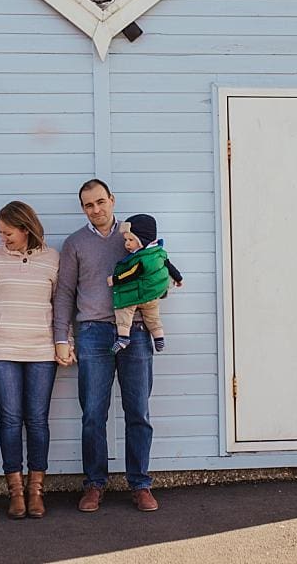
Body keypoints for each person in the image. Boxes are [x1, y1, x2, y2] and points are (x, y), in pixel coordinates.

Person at [52, 179, 160, 513]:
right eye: (89, 205)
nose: (96, 209)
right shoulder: (75, 244)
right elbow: (65, 293)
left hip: (137, 332)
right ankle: (94, 484)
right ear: (83, 208)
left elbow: (157, 270)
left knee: (138, 411)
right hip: (93, 334)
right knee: (93, 414)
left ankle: (140, 484)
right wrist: (61, 338)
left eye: (101, 202)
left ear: (112, 200)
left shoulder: (133, 235)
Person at [0, 201, 60, 519]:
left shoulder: (52, 258)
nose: (3, 238)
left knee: (37, 420)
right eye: (0, 233)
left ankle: (36, 492)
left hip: (41, 352)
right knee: (10, 421)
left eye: (7, 233)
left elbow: (60, 306)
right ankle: (16, 493)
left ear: (25, 229)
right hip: (2, 351)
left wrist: (66, 343)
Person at [107, 214, 181, 355]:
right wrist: (179, 278)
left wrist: (115, 279)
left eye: (130, 240)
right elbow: (169, 266)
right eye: (125, 240)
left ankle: (123, 338)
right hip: (152, 296)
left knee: (123, 310)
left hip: (138, 295)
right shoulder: (160, 252)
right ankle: (159, 337)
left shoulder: (141, 258)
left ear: (142, 241)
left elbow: (131, 273)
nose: (127, 244)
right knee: (153, 317)